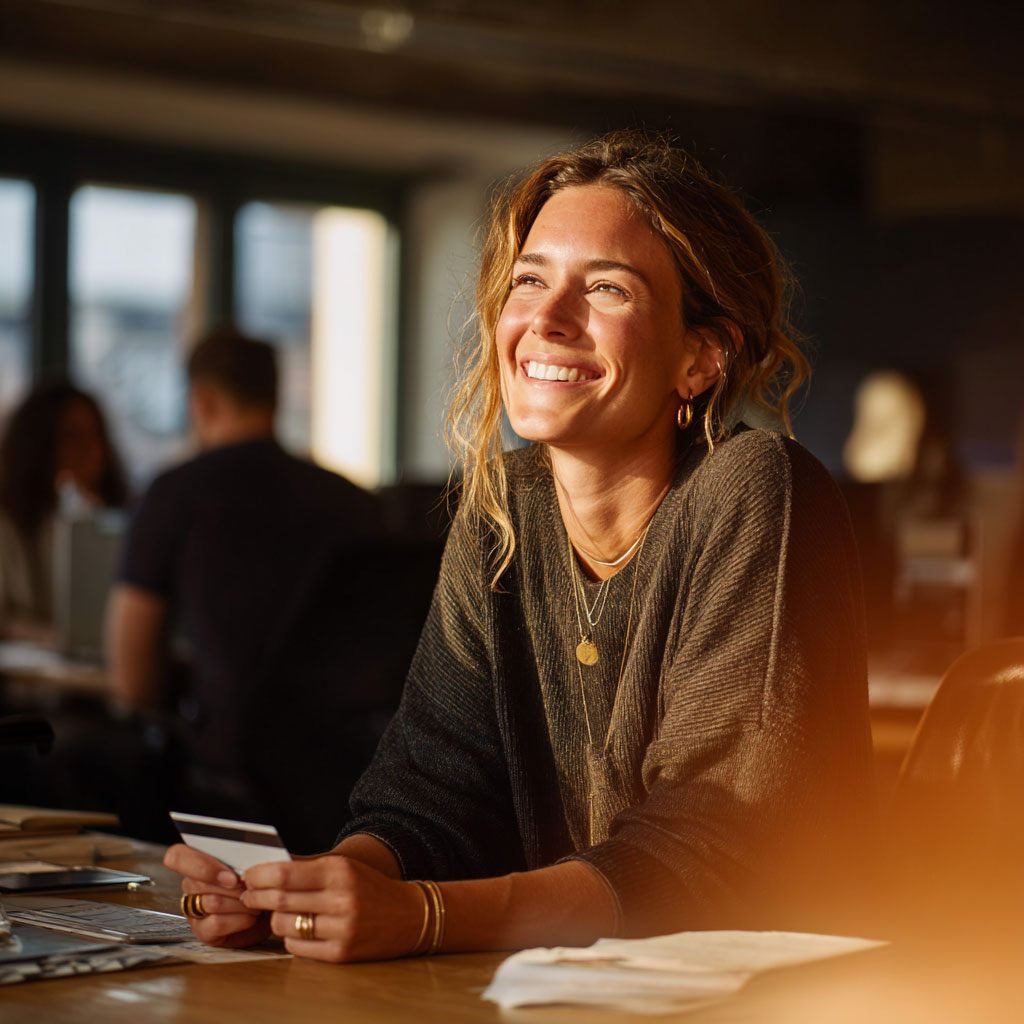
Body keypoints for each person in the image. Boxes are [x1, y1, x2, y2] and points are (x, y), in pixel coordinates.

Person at [165, 131, 876, 959]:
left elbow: (711, 849)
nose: (546, 318)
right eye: (530, 280)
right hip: (583, 990)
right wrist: (317, 892)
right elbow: (429, 796)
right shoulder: (505, 506)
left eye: (606, 288)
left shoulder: (753, 486)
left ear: (699, 357)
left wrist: (423, 915)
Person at [108, 325, 392, 851]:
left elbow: (132, 677)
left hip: (223, 780)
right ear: (275, 397)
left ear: (202, 400)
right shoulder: (353, 501)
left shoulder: (175, 494)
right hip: (348, 779)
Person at [0, 380, 128, 642]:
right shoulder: (8, 523)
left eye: (94, 435)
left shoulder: (117, 521)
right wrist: (59, 639)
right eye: (71, 437)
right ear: (37, 443)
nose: (88, 449)